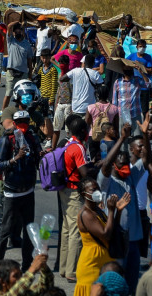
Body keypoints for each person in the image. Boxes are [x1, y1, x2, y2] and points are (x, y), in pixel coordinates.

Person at [98, 124, 147, 291]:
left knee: (132, 280)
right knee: (116, 281)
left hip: (133, 239)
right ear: (114, 165)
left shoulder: (131, 177)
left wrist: (145, 135)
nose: (125, 169)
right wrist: (122, 139)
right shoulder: (106, 182)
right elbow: (105, 166)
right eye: (121, 166)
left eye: (127, 164)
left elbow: (146, 159)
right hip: (116, 239)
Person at [0, 110, 43, 270]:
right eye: (20, 122)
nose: (23, 125)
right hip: (12, 192)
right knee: (5, 230)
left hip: (28, 190)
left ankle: (27, 265)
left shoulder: (32, 137)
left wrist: (42, 156)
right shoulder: (7, 139)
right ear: (14, 123)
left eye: (26, 121)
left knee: (29, 229)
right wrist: (15, 159)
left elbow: (37, 159)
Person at [75, 177, 130, 296]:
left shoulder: (97, 210)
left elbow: (112, 229)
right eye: (93, 190)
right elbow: (105, 235)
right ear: (84, 194)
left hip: (104, 261)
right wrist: (110, 210)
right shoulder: (86, 213)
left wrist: (118, 211)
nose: (97, 192)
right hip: (92, 265)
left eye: (98, 188)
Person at [58, 117, 92, 282]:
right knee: (75, 231)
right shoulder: (78, 148)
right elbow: (84, 173)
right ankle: (72, 271)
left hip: (63, 189)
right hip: (73, 191)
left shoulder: (67, 142)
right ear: (83, 132)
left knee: (66, 229)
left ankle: (64, 268)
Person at [60, 54, 104, 120]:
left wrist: (73, 79)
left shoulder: (75, 71)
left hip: (76, 107)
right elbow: (101, 88)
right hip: (90, 108)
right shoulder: (95, 74)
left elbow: (62, 79)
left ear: (84, 62)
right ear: (93, 63)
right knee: (88, 129)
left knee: (76, 128)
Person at [2, 22, 34, 109]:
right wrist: (18, 22)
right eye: (15, 32)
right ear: (13, 33)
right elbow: (8, 26)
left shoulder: (27, 44)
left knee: (22, 95)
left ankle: (21, 112)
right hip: (11, 72)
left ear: (22, 32)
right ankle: (3, 113)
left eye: (19, 31)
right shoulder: (11, 40)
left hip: (23, 74)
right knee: (8, 94)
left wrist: (30, 74)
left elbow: (29, 60)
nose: (17, 33)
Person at [112, 62, 149, 136]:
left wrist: (141, 72)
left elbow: (147, 84)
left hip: (135, 113)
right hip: (122, 114)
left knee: (137, 136)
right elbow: (114, 101)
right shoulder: (117, 82)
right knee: (123, 137)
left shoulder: (137, 80)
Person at [85, 84, 119, 161]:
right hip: (109, 136)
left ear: (97, 94)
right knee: (109, 160)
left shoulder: (90, 107)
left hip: (94, 136)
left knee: (94, 159)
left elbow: (87, 122)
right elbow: (116, 125)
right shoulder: (114, 108)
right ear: (108, 94)